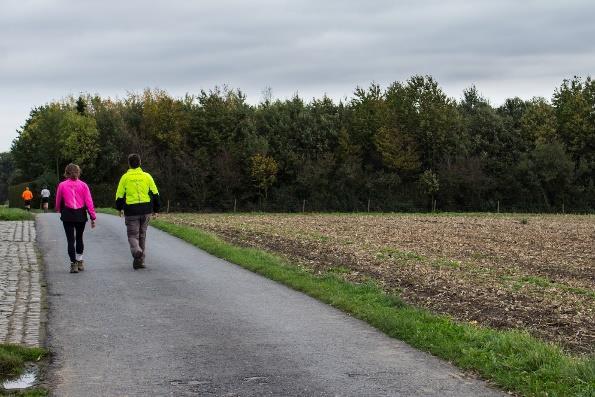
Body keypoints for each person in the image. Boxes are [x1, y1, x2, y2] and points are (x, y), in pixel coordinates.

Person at [115, 154, 160, 270]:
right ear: (140, 163)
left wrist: (119, 208)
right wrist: (156, 209)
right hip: (146, 209)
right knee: (142, 235)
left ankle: (137, 250)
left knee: (132, 235)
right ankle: (140, 261)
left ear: (129, 164)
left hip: (131, 210)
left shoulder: (125, 177)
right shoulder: (147, 176)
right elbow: (155, 194)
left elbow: (119, 195)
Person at [55, 164, 97, 273]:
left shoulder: (62, 185)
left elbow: (58, 199)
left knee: (70, 240)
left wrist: (58, 209)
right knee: (79, 238)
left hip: (67, 214)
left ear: (66, 173)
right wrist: (92, 216)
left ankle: (73, 264)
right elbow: (89, 202)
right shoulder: (83, 185)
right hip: (80, 214)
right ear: (78, 172)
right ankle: (80, 262)